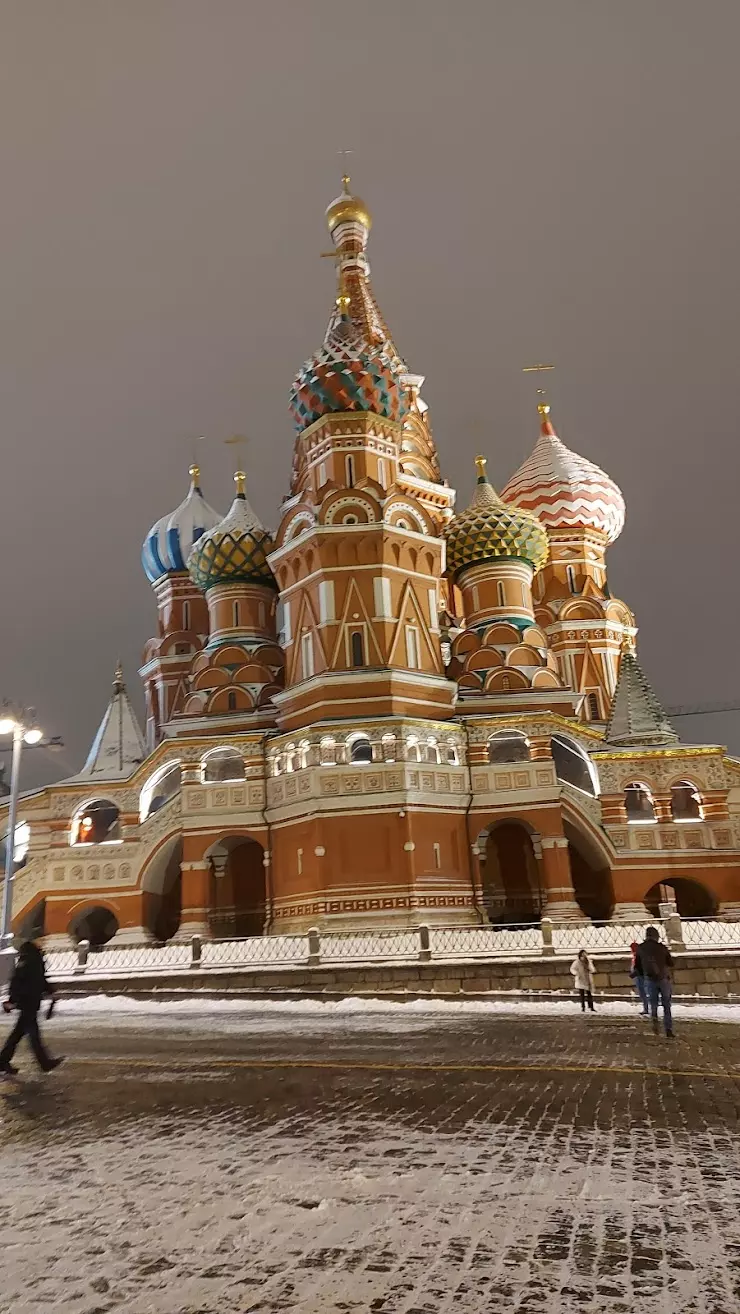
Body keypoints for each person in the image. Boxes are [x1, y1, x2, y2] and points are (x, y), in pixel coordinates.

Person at [0, 939, 64, 1074]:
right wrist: (12, 1000)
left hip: (31, 1001)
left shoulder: (33, 958)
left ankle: (2, 1062)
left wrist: (51, 992)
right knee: (34, 1035)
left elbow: (40, 980)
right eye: (40, 941)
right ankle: (45, 1063)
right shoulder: (28, 959)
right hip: (27, 1002)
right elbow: (17, 982)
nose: (43, 943)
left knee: (17, 1034)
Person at [635, 926, 674, 1037]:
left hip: (650, 979)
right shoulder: (661, 947)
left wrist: (644, 974)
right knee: (666, 1005)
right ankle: (668, 1029)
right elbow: (671, 963)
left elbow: (638, 966)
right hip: (663, 979)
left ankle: (655, 1027)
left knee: (653, 1005)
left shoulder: (641, 948)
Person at [629, 940, 649, 1017]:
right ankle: (646, 1008)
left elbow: (639, 967)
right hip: (638, 976)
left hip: (640, 976)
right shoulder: (636, 955)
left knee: (643, 992)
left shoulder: (638, 956)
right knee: (643, 993)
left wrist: (633, 974)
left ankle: (646, 1008)